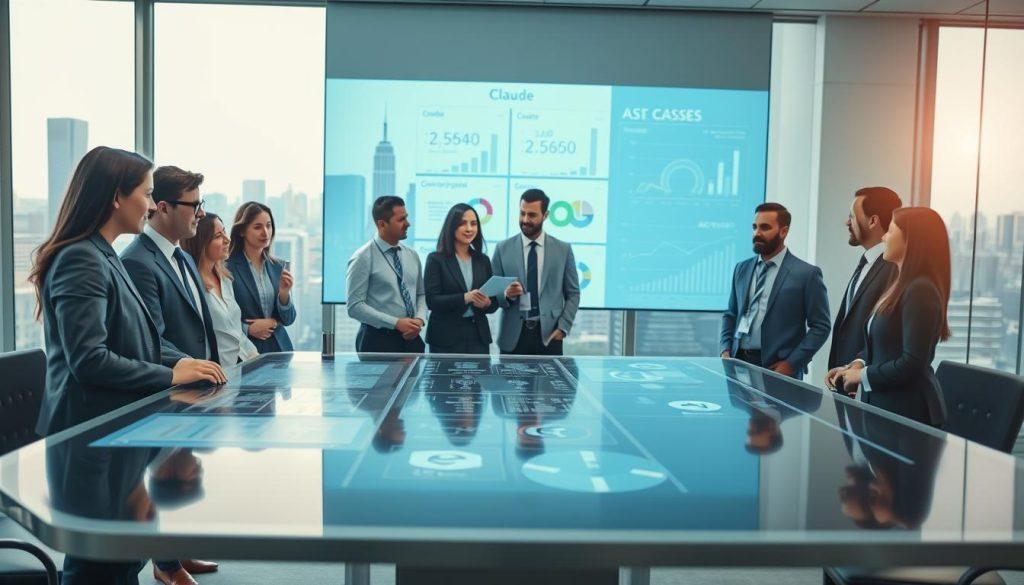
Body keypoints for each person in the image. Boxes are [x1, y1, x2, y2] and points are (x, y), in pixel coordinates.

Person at [28, 146, 226, 585]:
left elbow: (139, 340)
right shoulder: (81, 258)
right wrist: (171, 374)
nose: (152, 204)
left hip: (111, 437)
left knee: (119, 564)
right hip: (89, 440)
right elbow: (89, 360)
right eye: (146, 193)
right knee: (100, 569)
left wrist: (184, 361)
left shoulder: (103, 254)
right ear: (116, 197)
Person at [825, 207, 952, 427]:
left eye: (890, 231)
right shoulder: (899, 285)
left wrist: (862, 376)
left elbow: (913, 362)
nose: (883, 237)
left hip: (909, 413)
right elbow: (883, 343)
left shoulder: (921, 290)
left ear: (910, 240)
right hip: (885, 407)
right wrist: (855, 365)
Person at [720, 202, 831, 379]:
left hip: (778, 370)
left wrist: (791, 364)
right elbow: (731, 313)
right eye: (754, 227)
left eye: (765, 227)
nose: (757, 233)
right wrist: (725, 349)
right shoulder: (742, 269)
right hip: (738, 363)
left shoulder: (807, 274)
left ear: (783, 231)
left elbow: (821, 327)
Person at [121, 166, 219, 364]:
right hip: (173, 387)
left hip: (204, 385)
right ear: (163, 208)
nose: (202, 213)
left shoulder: (186, 258)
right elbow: (151, 340)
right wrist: (195, 367)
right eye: (195, 206)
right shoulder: (136, 263)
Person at [491, 189, 581, 356]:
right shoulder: (502, 249)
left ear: (545, 215)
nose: (525, 220)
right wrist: (506, 294)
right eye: (522, 213)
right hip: (512, 337)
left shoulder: (563, 250)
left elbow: (573, 293)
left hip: (550, 336)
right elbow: (491, 295)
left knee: (549, 383)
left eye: (532, 215)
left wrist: (563, 327)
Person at [827, 187, 902, 370]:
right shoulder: (866, 262)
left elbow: (889, 334)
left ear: (873, 221)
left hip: (866, 382)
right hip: (845, 378)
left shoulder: (894, 268)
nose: (847, 222)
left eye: (852, 216)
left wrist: (858, 367)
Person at [346, 195, 427, 353]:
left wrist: (419, 319)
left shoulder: (412, 255)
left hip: (412, 339)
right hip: (377, 341)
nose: (408, 223)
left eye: (406, 217)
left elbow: (421, 294)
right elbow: (354, 307)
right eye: (401, 219)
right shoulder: (362, 257)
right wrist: (396, 323)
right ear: (382, 224)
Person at [182, 214, 260, 369]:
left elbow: (235, 331)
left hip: (243, 366)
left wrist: (256, 359)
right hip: (216, 373)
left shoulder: (225, 278)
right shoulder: (192, 285)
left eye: (225, 232)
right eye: (218, 236)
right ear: (201, 242)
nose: (227, 240)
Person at [423, 203, 499, 354]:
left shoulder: (482, 260)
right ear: (452, 226)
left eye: (474, 224)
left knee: (479, 377)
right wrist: (465, 298)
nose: (469, 229)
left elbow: (494, 304)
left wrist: (487, 303)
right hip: (445, 338)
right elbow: (432, 301)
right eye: (463, 223)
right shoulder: (436, 259)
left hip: (478, 337)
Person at [225, 202, 296, 354]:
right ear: (242, 231)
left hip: (279, 351)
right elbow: (219, 317)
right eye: (258, 227)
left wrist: (284, 294)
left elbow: (289, 319)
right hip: (245, 352)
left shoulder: (278, 266)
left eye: (268, 226)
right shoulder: (227, 268)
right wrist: (247, 328)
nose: (265, 232)